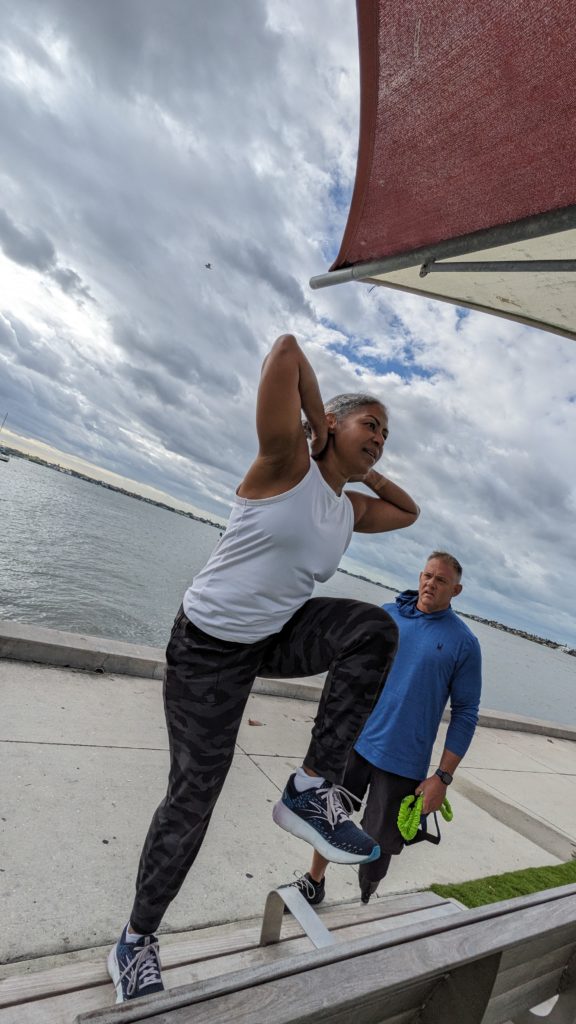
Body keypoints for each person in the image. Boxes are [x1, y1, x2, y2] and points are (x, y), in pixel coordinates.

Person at [108, 333, 420, 1002]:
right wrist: (315, 422)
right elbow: (284, 351)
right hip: (207, 651)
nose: (380, 441)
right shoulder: (287, 463)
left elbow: (408, 511)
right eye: (372, 425)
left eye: (386, 436)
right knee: (193, 799)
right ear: (333, 423)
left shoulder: (347, 509)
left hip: (269, 640)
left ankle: (310, 786)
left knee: (372, 629)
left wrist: (364, 468)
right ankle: (135, 942)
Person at [285, 551, 481, 907]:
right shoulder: (388, 615)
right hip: (356, 743)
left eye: (441, 580)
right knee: (328, 818)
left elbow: (466, 712)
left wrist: (442, 777)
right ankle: (315, 882)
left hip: (405, 762)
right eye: (427, 575)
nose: (430, 584)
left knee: (379, 842)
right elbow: (345, 670)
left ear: (457, 590)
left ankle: (365, 899)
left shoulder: (463, 643)